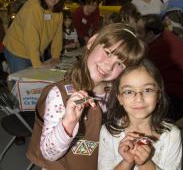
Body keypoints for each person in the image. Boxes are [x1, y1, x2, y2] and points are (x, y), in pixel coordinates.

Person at [26, 23, 145, 170]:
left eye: (120, 64)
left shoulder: (116, 97)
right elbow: (49, 154)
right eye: (108, 53)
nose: (108, 66)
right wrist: (68, 122)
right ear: (92, 42)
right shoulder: (59, 94)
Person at [98, 59, 182, 170]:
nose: (138, 99)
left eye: (147, 90)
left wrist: (145, 163)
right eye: (128, 91)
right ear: (120, 98)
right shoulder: (109, 132)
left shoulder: (171, 135)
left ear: (159, 95)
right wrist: (126, 162)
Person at [136, 14, 183, 121]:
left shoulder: (159, 47)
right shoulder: (164, 36)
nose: (136, 35)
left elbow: (143, 75)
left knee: (139, 111)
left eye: (139, 32)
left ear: (151, 33)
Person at [3, 0, 64, 73]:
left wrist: (56, 56)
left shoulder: (58, 12)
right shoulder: (33, 7)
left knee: (36, 79)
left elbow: (57, 36)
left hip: (35, 50)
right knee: (23, 82)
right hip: (18, 50)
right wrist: (37, 63)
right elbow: (31, 36)